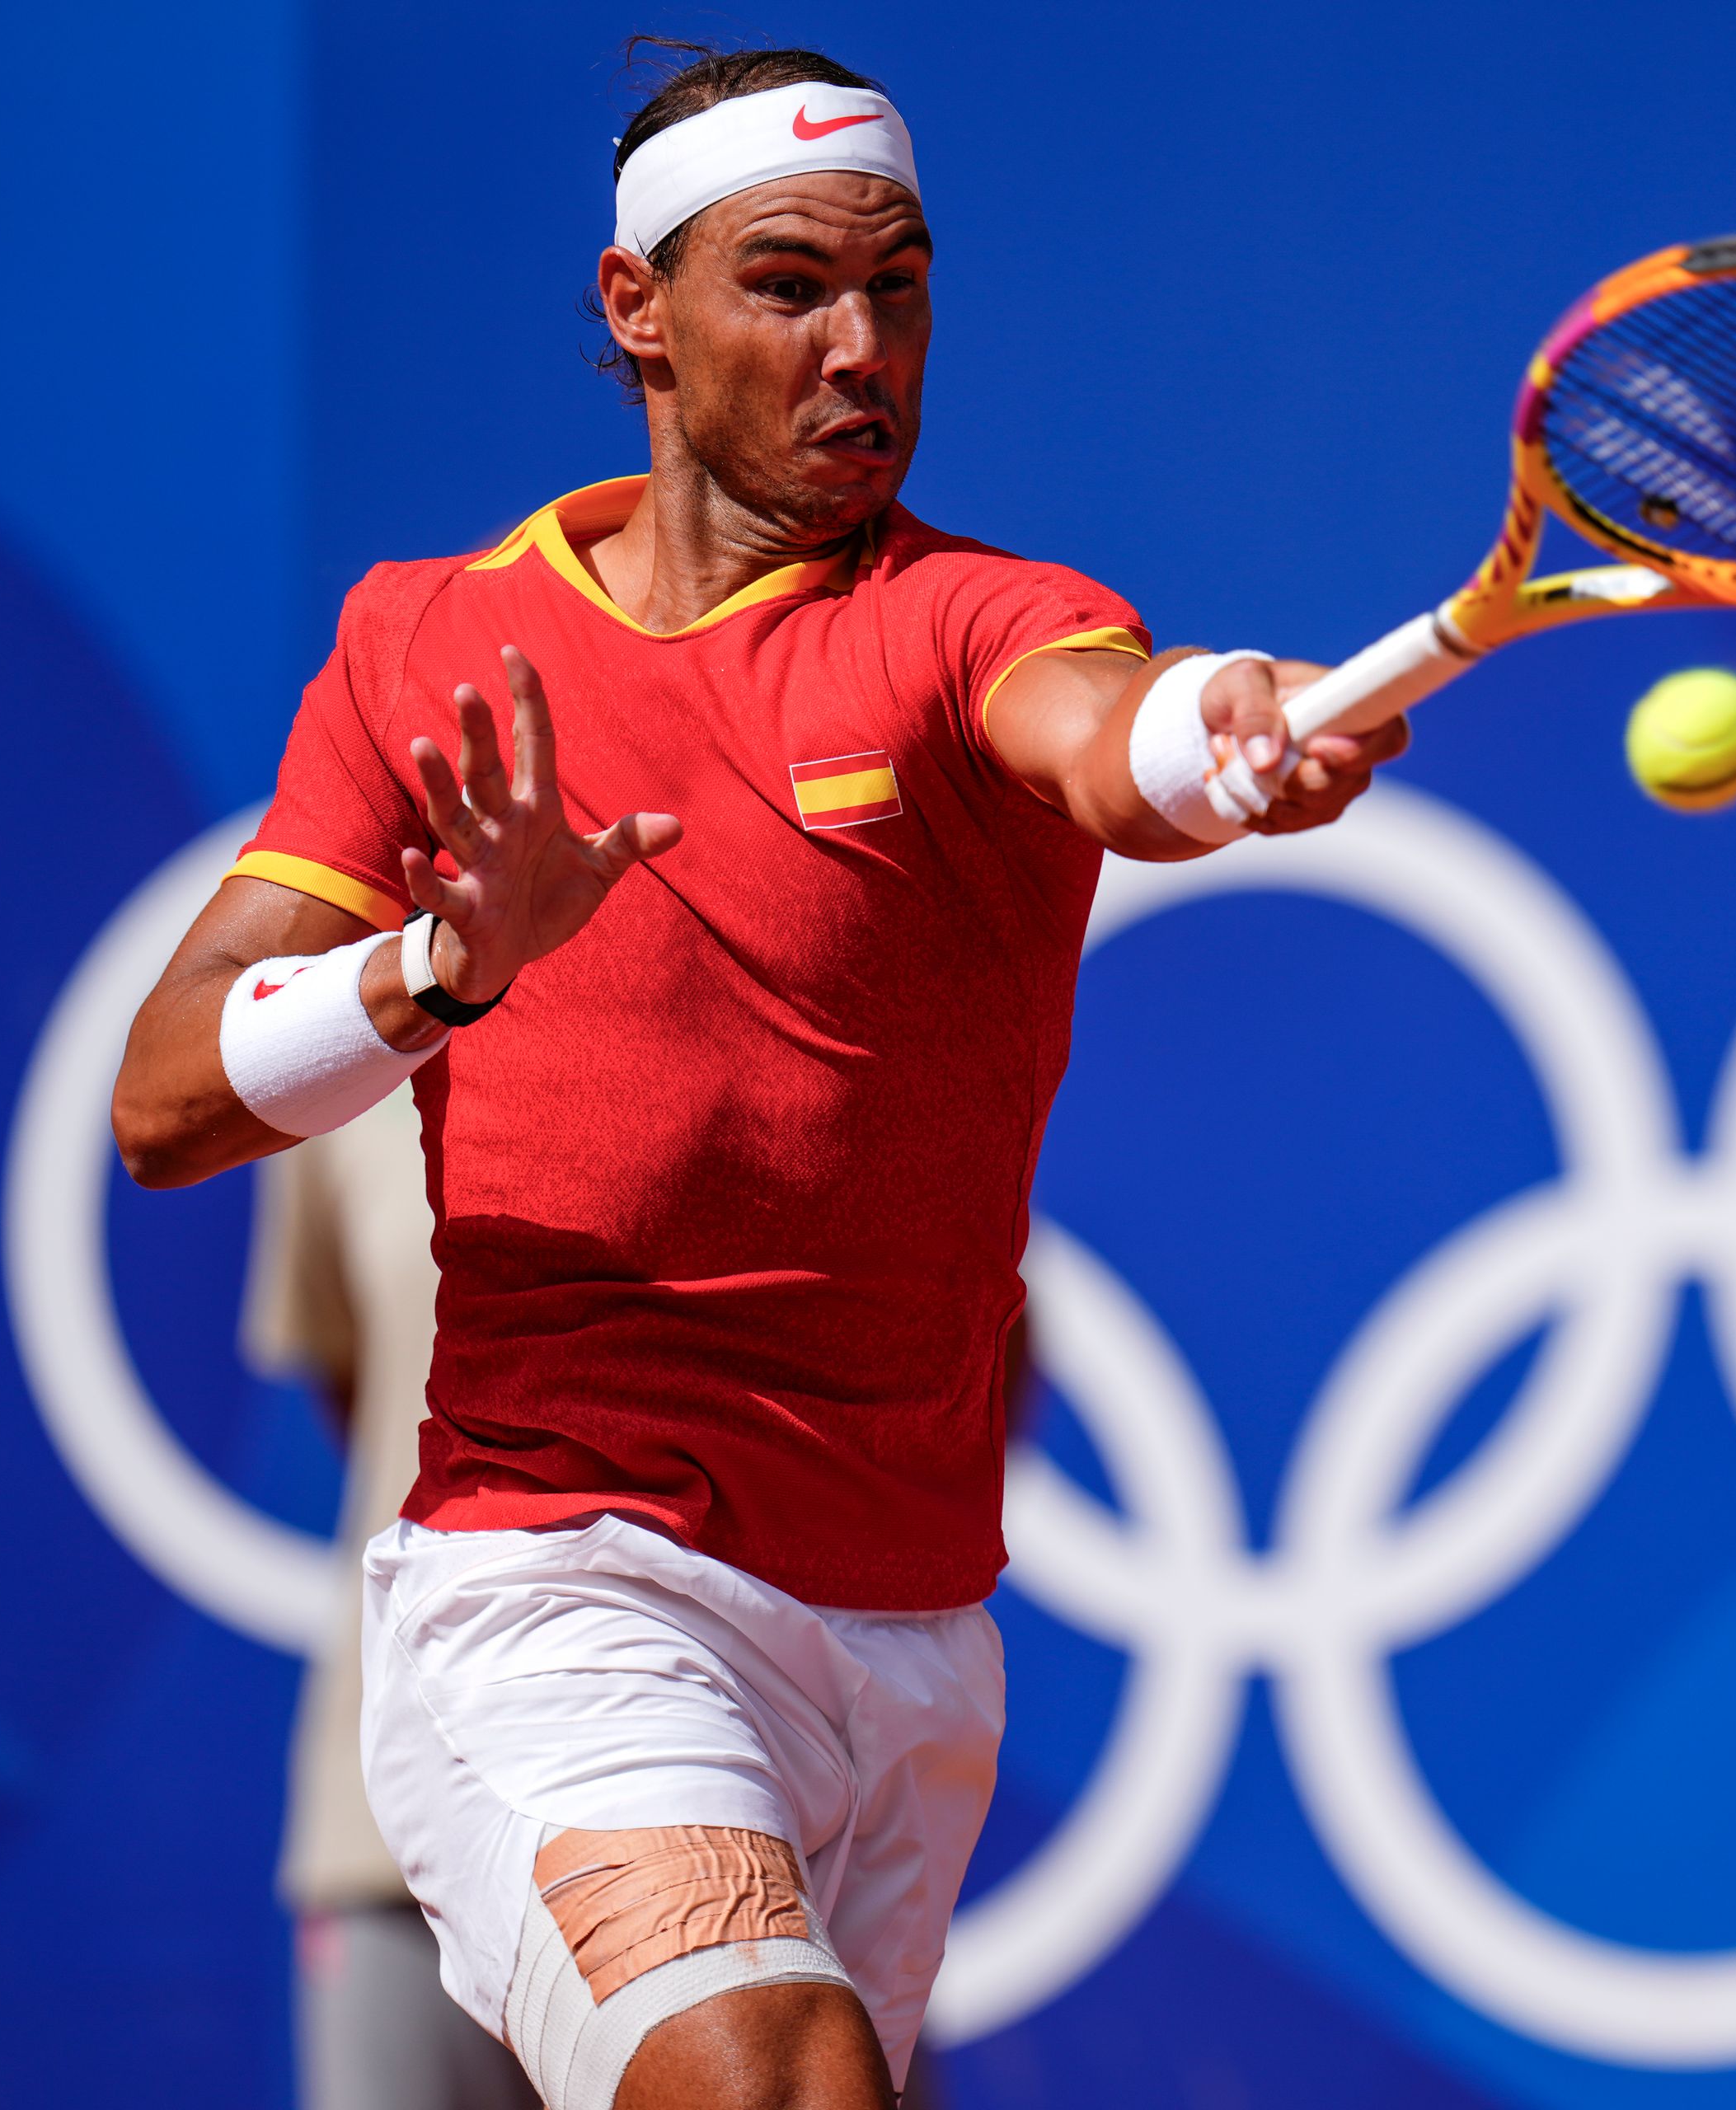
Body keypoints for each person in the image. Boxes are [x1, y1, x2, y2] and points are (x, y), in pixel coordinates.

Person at [110, 43, 1404, 2110]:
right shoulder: (420, 639)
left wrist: (1206, 736)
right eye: (788, 285)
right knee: (780, 2081)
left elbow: (1103, 726)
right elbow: (166, 1099)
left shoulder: (973, 615)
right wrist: (442, 961)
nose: (859, 346)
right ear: (639, 309)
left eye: (897, 288)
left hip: (903, 1641)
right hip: (563, 1581)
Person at [242, 1091, 535, 2110]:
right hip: (400, 1824)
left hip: (752, 1807)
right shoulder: (355, 1034)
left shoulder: (789, 983)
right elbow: (369, 1389)